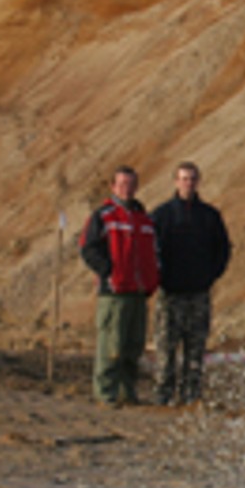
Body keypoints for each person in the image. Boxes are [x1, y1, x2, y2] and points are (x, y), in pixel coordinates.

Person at [150, 162, 232, 407]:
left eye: (192, 179)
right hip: (170, 294)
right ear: (175, 182)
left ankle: (191, 395)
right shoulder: (161, 215)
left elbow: (223, 249)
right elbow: (150, 250)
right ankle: (163, 395)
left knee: (195, 350)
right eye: (184, 178)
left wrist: (210, 275)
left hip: (198, 294)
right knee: (165, 349)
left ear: (198, 182)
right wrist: (160, 277)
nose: (188, 183)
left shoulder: (209, 216)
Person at [79, 167, 160, 407]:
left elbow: (154, 253)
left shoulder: (144, 218)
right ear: (113, 187)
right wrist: (108, 271)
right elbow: (88, 248)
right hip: (114, 292)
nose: (127, 188)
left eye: (131, 184)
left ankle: (127, 392)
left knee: (133, 346)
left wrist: (152, 278)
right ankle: (106, 393)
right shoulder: (103, 216)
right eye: (122, 184)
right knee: (110, 346)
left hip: (138, 291)